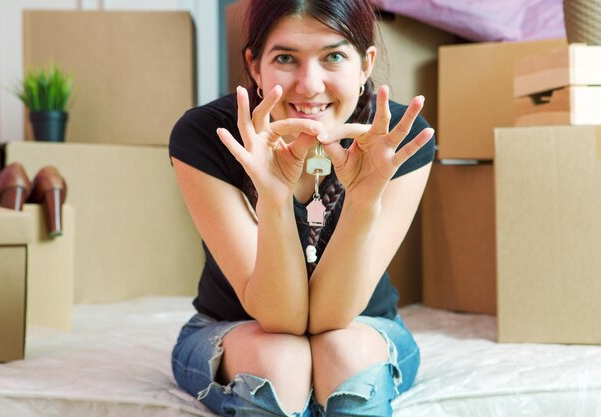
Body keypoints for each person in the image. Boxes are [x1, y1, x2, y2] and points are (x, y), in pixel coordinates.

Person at [168, 0, 435, 415]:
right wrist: (273, 195)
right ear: (255, 66)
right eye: (286, 58)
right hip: (236, 329)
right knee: (281, 361)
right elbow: (281, 320)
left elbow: (333, 317)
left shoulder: (398, 140)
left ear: (366, 64)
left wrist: (363, 199)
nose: (309, 86)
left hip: (360, 325)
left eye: (333, 57)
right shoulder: (209, 136)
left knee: (343, 354)